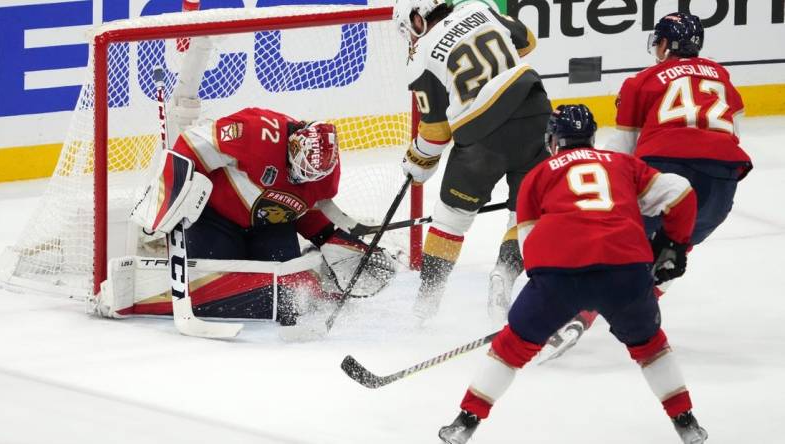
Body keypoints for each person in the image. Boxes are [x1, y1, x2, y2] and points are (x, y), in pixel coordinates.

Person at [437, 105, 707, 444]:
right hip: (625, 268)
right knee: (650, 346)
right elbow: (680, 191)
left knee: (511, 348)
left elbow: (529, 243)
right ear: (591, 137)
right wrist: (674, 244)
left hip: (559, 274)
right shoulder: (623, 164)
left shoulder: (539, 173)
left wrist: (547, 297)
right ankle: (686, 422)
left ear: (552, 140)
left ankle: (466, 421)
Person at [542, 11, 753, 361]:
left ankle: (575, 316)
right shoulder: (722, 77)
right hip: (722, 186)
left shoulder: (641, 81)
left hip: (667, 172)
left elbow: (623, 149)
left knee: (616, 246)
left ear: (666, 44)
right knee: (674, 251)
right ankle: (637, 313)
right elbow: (733, 130)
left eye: (659, 41)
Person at [127, 107, 395, 325]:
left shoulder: (325, 176)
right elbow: (192, 144)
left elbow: (299, 208)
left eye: (308, 177)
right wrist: (171, 194)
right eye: (297, 170)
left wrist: (327, 236)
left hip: (271, 227)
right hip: (215, 218)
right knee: (216, 287)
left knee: (288, 294)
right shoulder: (257, 132)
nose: (298, 179)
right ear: (294, 144)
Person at [392, 0, 551, 324]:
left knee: (451, 219)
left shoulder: (421, 56)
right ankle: (504, 276)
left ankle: (426, 303)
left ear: (417, 21)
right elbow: (528, 41)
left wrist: (418, 163)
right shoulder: (481, 8)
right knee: (524, 213)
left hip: (481, 138)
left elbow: (436, 131)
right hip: (535, 113)